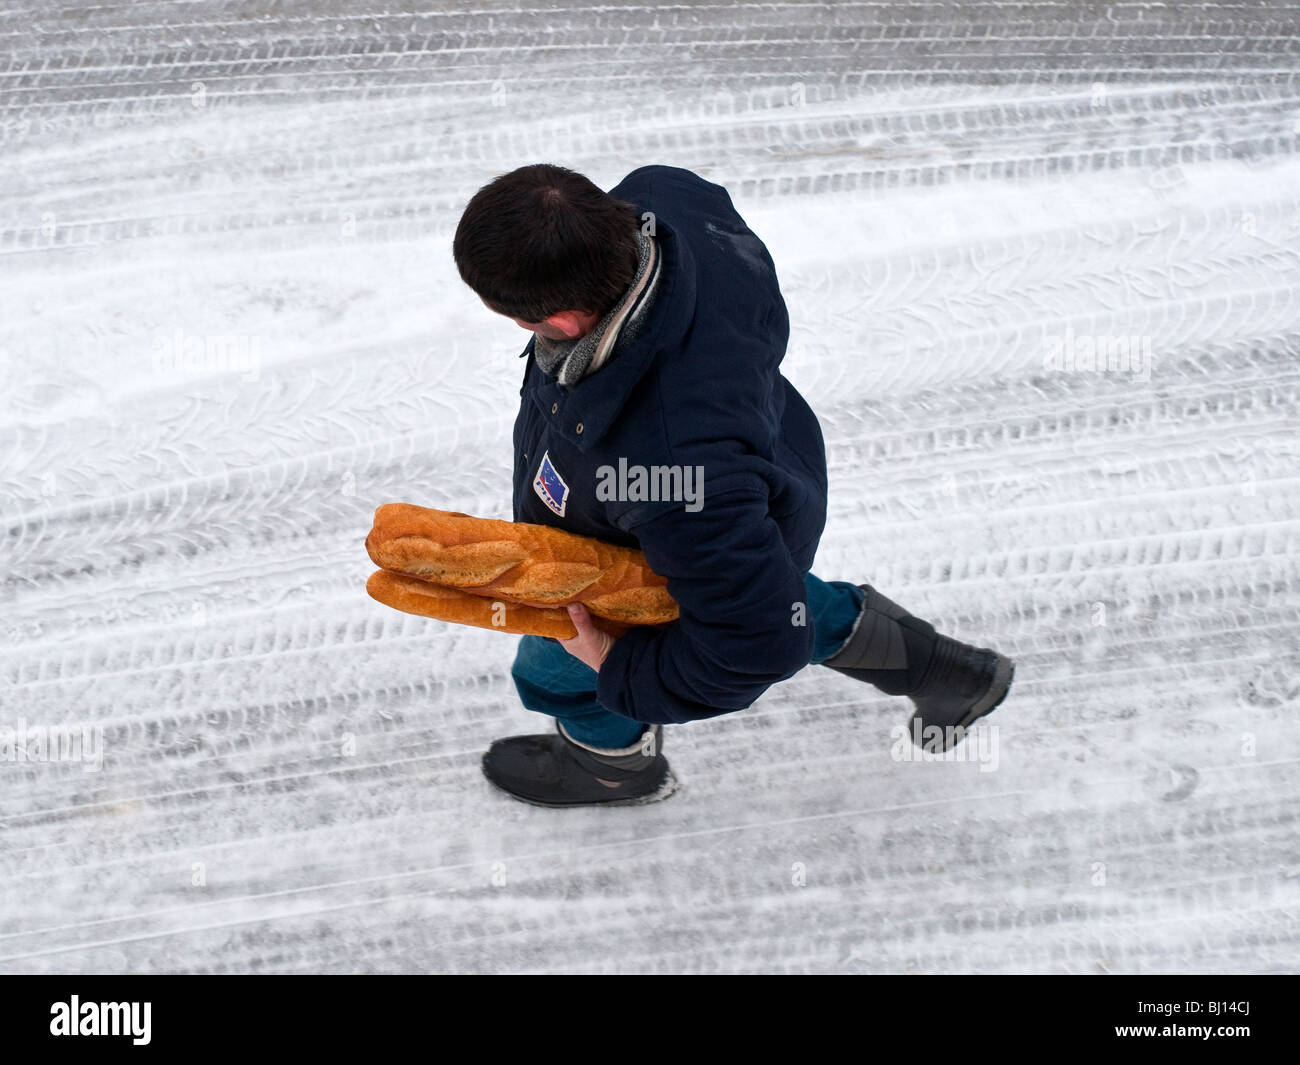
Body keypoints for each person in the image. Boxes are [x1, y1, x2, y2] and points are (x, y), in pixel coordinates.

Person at [451, 163, 1014, 807]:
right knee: (758, 589)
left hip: (666, 532)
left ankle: (611, 767)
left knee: (559, 672)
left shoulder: (669, 468)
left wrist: (618, 664)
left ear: (570, 321)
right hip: (762, 465)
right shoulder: (669, 204)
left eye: (525, 322)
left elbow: (754, 646)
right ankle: (945, 671)